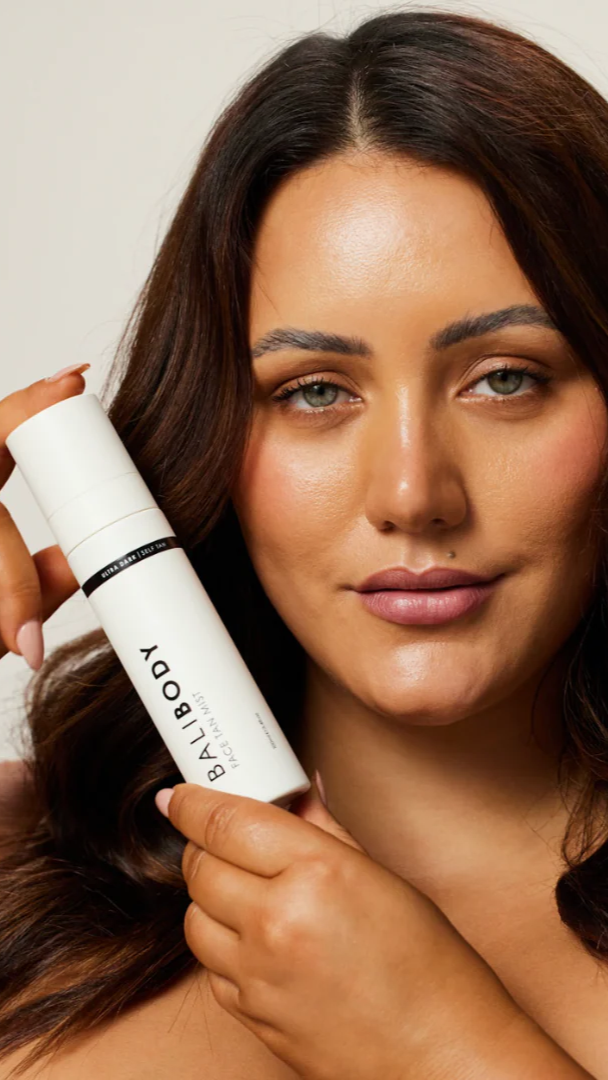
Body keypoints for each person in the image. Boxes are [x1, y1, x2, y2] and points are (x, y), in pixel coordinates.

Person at [0, 6, 607, 1077]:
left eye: (504, 377)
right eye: (315, 391)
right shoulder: (28, 880)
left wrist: (437, 1047)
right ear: (213, 430)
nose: (412, 494)